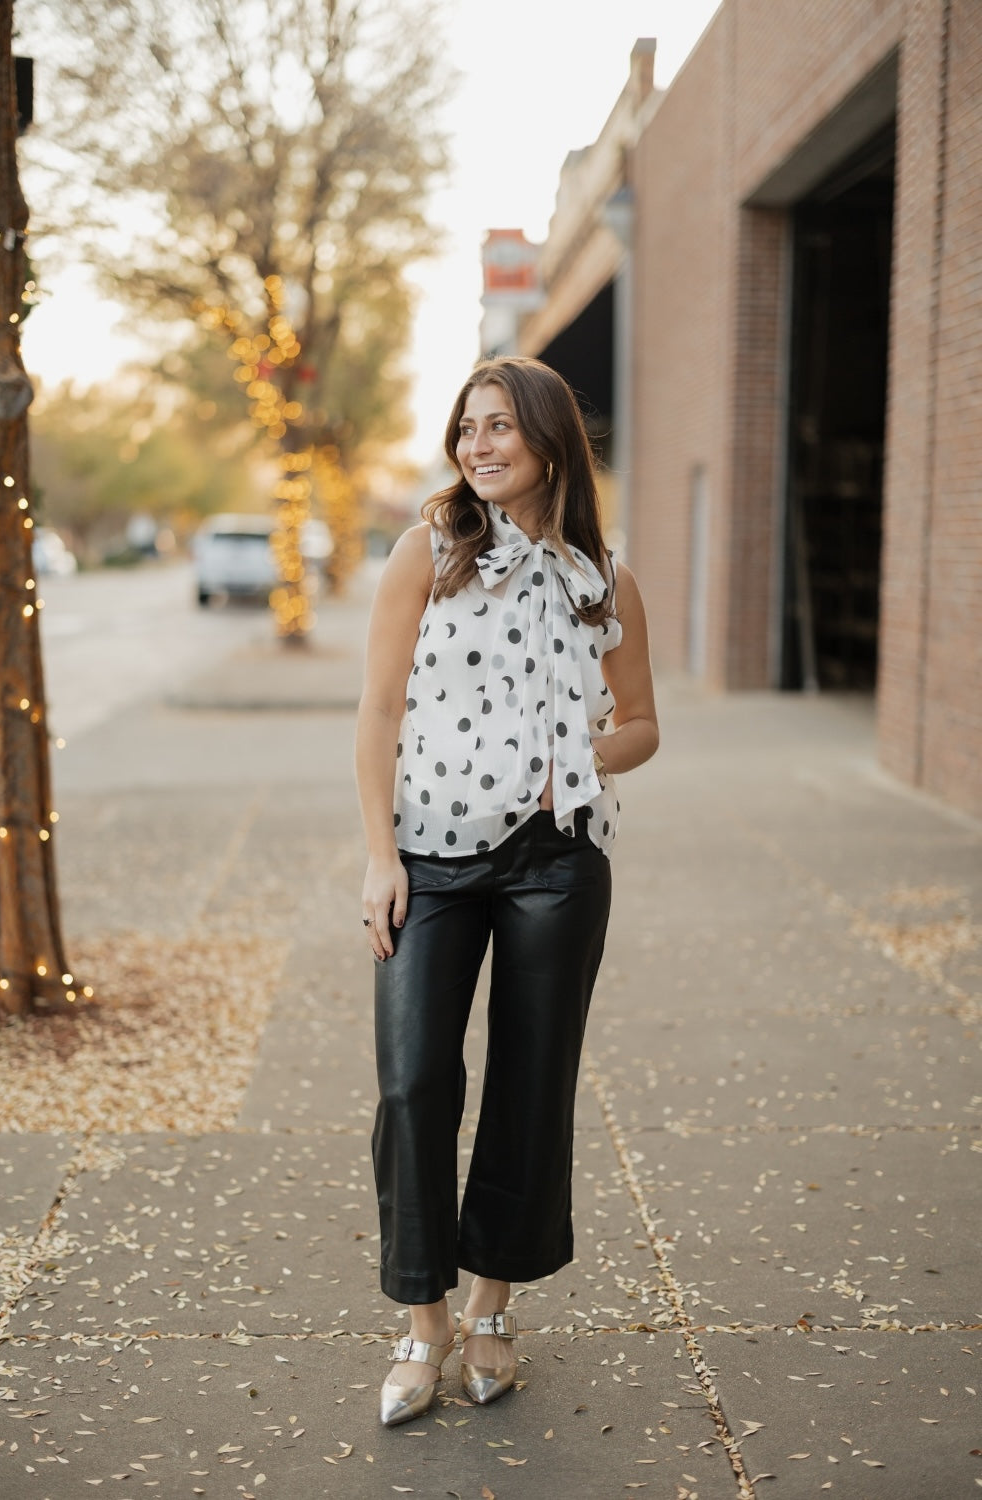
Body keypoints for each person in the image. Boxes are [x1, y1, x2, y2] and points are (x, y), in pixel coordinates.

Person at [355, 355, 659, 1428]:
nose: (478, 446)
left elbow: (639, 723)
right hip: (430, 857)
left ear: (545, 442)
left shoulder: (600, 580)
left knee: (532, 1086)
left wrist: (581, 762)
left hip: (555, 863)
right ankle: (420, 1321)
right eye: (466, 428)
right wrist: (379, 858)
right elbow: (379, 716)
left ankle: (489, 1311)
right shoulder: (425, 555)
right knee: (412, 1082)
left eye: (499, 428)